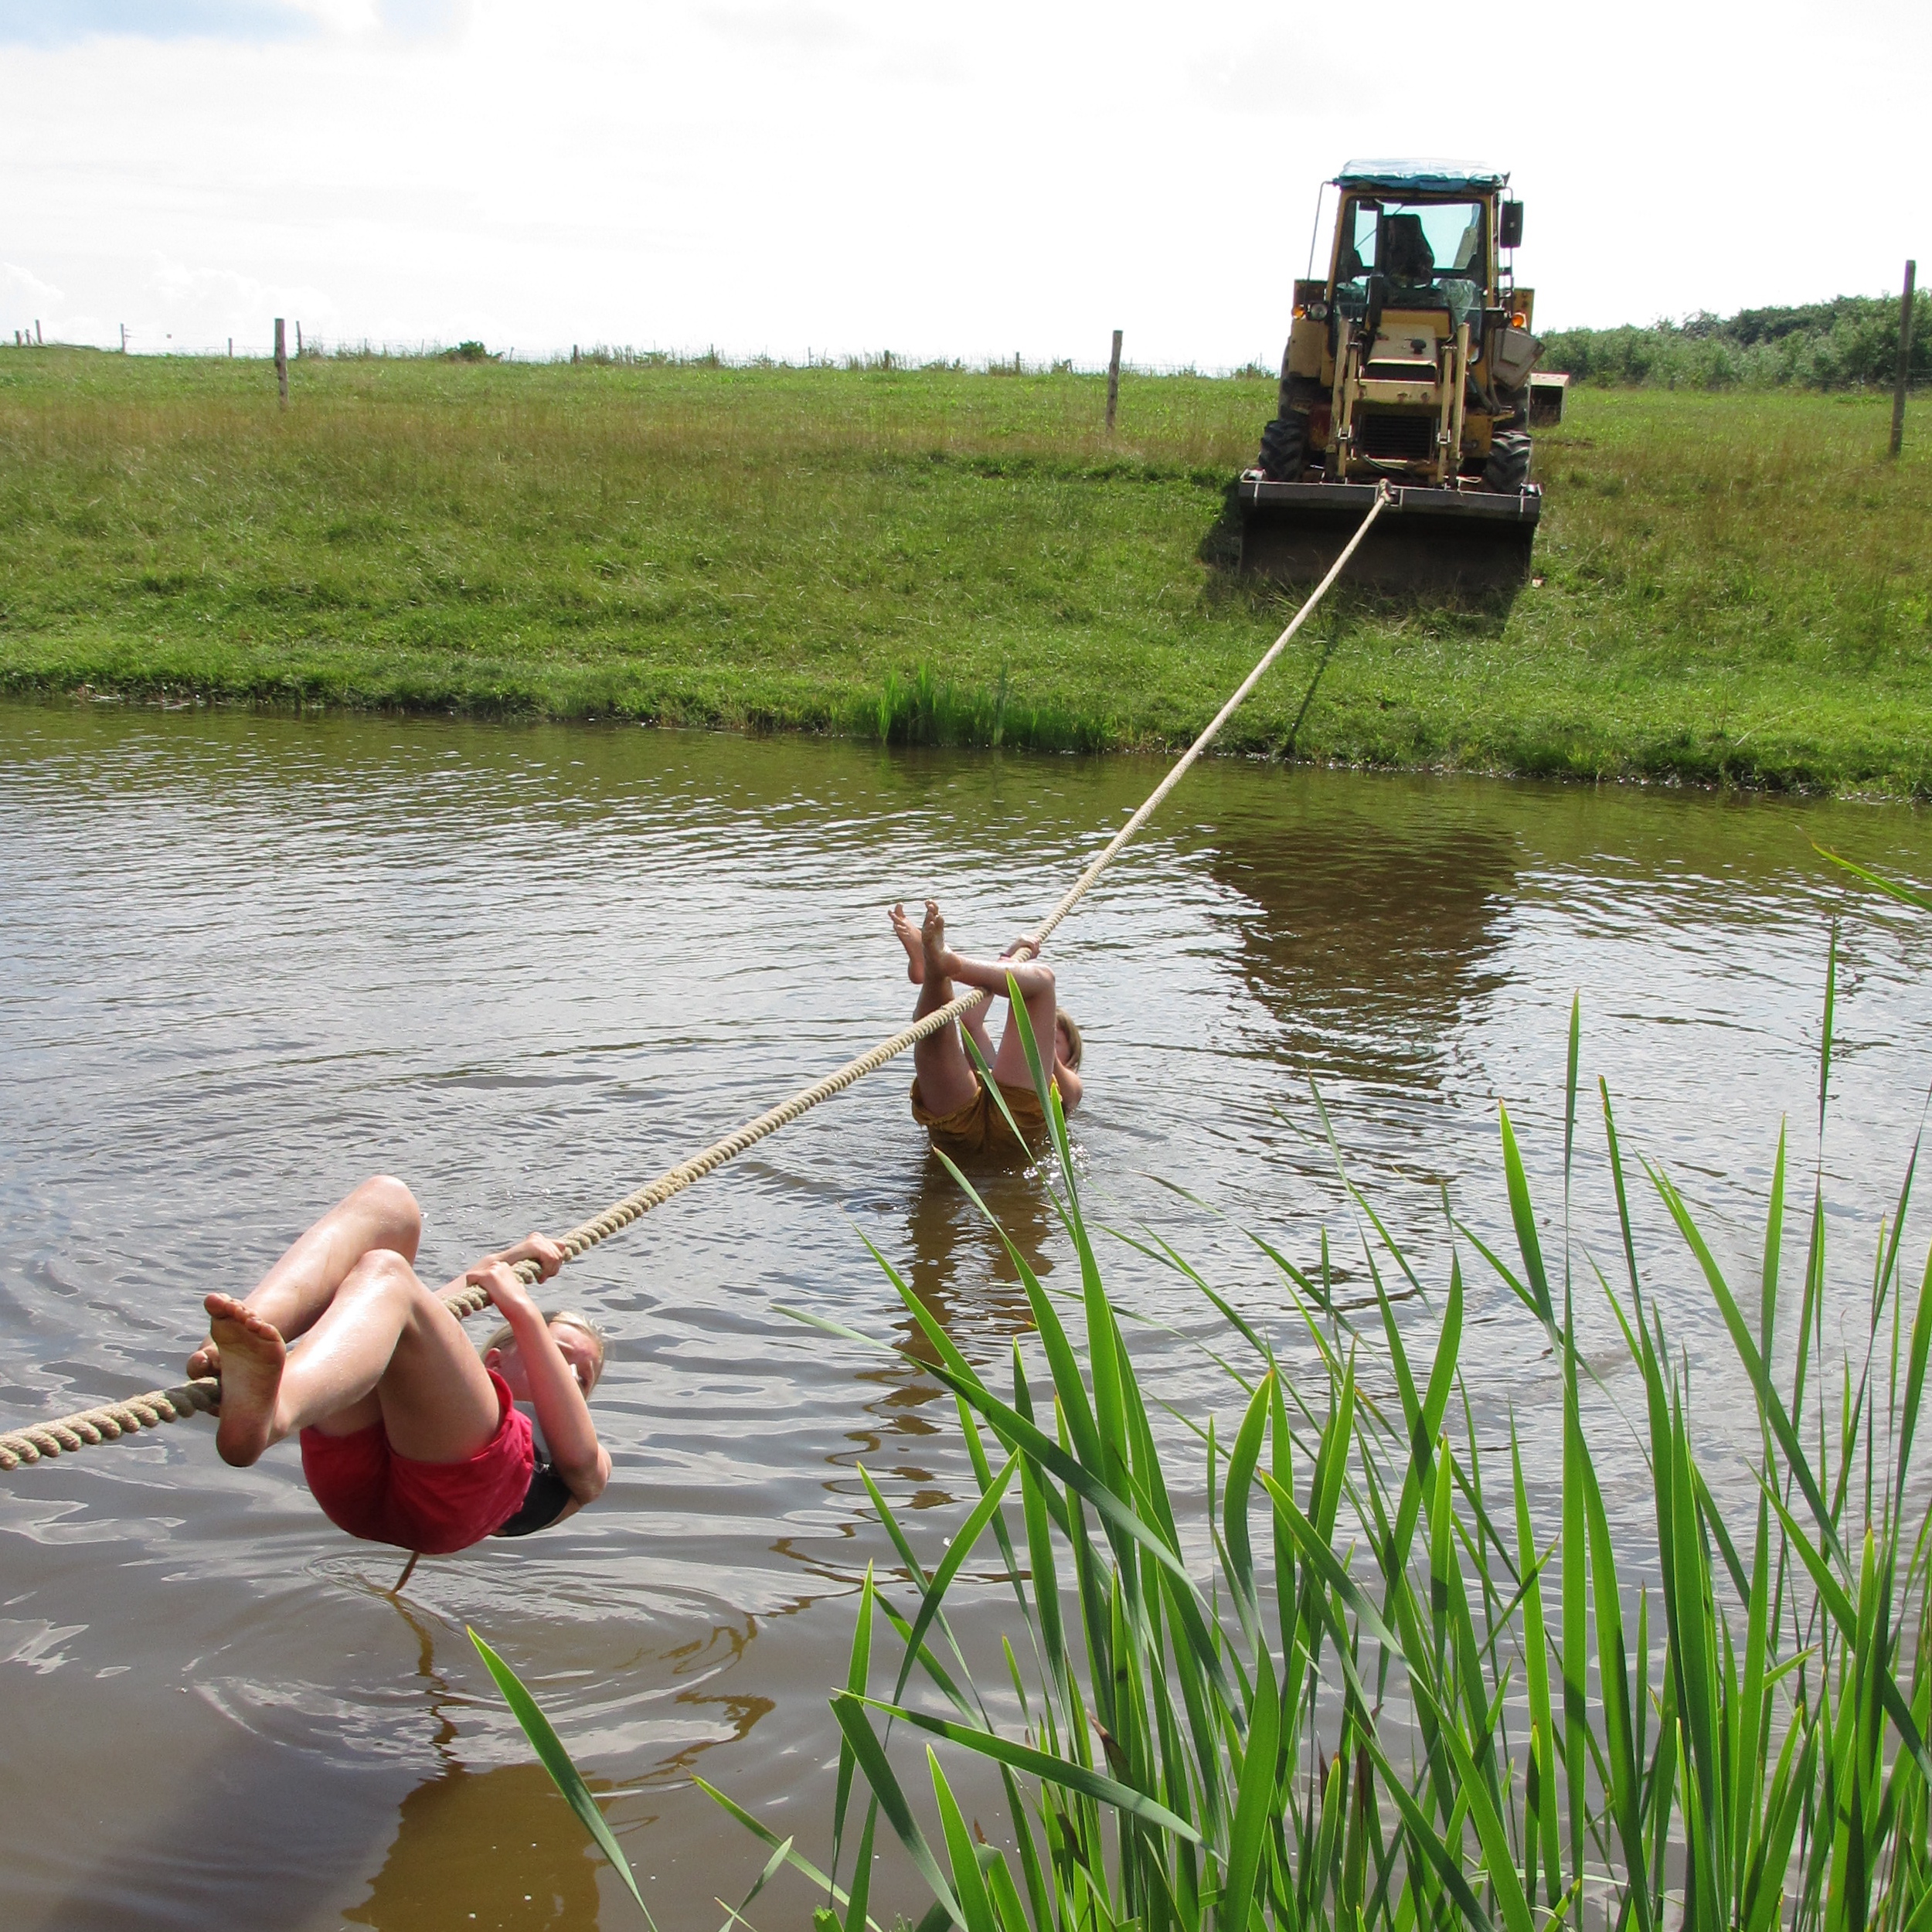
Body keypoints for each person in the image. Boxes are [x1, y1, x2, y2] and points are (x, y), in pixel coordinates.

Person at [186, 1175, 610, 1555]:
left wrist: (524, 1313)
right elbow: (390, 1314)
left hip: (457, 1500)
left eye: (584, 1378)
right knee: (390, 1203)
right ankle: (226, 1354)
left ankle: (272, 1412)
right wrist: (498, 1263)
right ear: (494, 1362)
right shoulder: (458, 1390)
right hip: (357, 1472)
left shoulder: (577, 1451)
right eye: (558, 1355)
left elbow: (584, 1469)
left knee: (387, 1271)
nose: (572, 1376)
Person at [891, 900, 1083, 1161]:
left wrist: (1046, 1044)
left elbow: (1051, 1069)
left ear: (1072, 1057)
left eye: (1054, 1038)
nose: (1043, 1035)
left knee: (1043, 981)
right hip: (960, 1112)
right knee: (938, 1026)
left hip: (1020, 1130)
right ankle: (936, 968)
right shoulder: (990, 1058)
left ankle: (941, 965)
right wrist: (1009, 956)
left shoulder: (1070, 1085)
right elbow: (970, 1018)